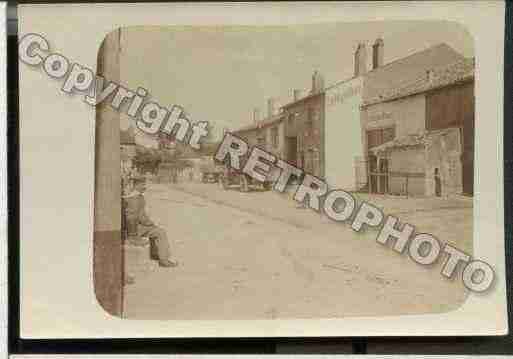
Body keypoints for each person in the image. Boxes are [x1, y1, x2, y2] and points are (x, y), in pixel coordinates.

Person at [123, 175, 178, 268]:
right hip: (135, 230)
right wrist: (152, 223)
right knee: (160, 232)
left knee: (155, 230)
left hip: (132, 228)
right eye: (142, 185)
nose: (144, 187)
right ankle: (164, 260)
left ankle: (157, 255)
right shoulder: (136, 198)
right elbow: (140, 217)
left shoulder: (130, 196)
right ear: (136, 185)